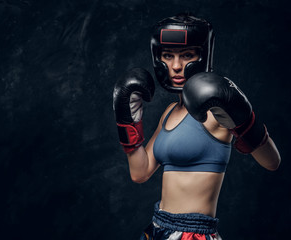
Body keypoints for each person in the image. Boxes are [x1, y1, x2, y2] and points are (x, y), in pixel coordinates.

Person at [113, 13, 281, 240]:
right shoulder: (169, 112)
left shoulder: (216, 110)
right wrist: (127, 120)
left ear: (202, 56)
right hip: (157, 227)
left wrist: (243, 120)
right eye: (168, 55)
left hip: (193, 233)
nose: (175, 66)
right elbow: (140, 173)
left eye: (187, 55)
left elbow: (272, 162)